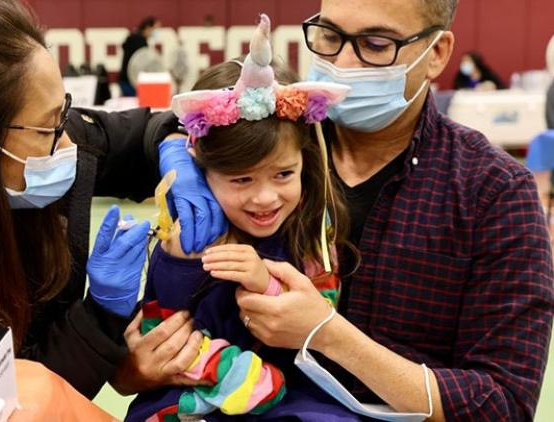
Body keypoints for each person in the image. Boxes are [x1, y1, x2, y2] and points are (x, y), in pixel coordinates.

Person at [0, 0, 224, 404]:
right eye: (48, 127)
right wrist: (101, 315)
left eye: (62, 114)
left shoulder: (53, 142)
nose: (68, 144)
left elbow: (140, 135)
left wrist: (174, 146)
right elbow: (17, 401)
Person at [220, 1, 551, 420]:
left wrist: (329, 336)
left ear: (437, 53)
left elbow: (503, 404)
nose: (342, 63)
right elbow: (127, 137)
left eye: (375, 45)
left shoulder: (494, 193)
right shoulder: (273, 142)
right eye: (329, 36)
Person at [126, 15, 361, 421]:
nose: (265, 197)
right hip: (197, 390)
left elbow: (321, 315)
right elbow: (163, 337)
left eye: (284, 174)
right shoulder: (187, 240)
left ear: (305, 161)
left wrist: (265, 284)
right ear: (200, 170)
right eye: (241, 179)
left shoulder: (312, 229)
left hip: (295, 394)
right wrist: (242, 378)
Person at [119, 16, 161, 96]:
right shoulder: (139, 41)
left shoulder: (134, 37)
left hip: (127, 80)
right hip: (130, 82)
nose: (157, 31)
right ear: (148, 27)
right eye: (156, 28)